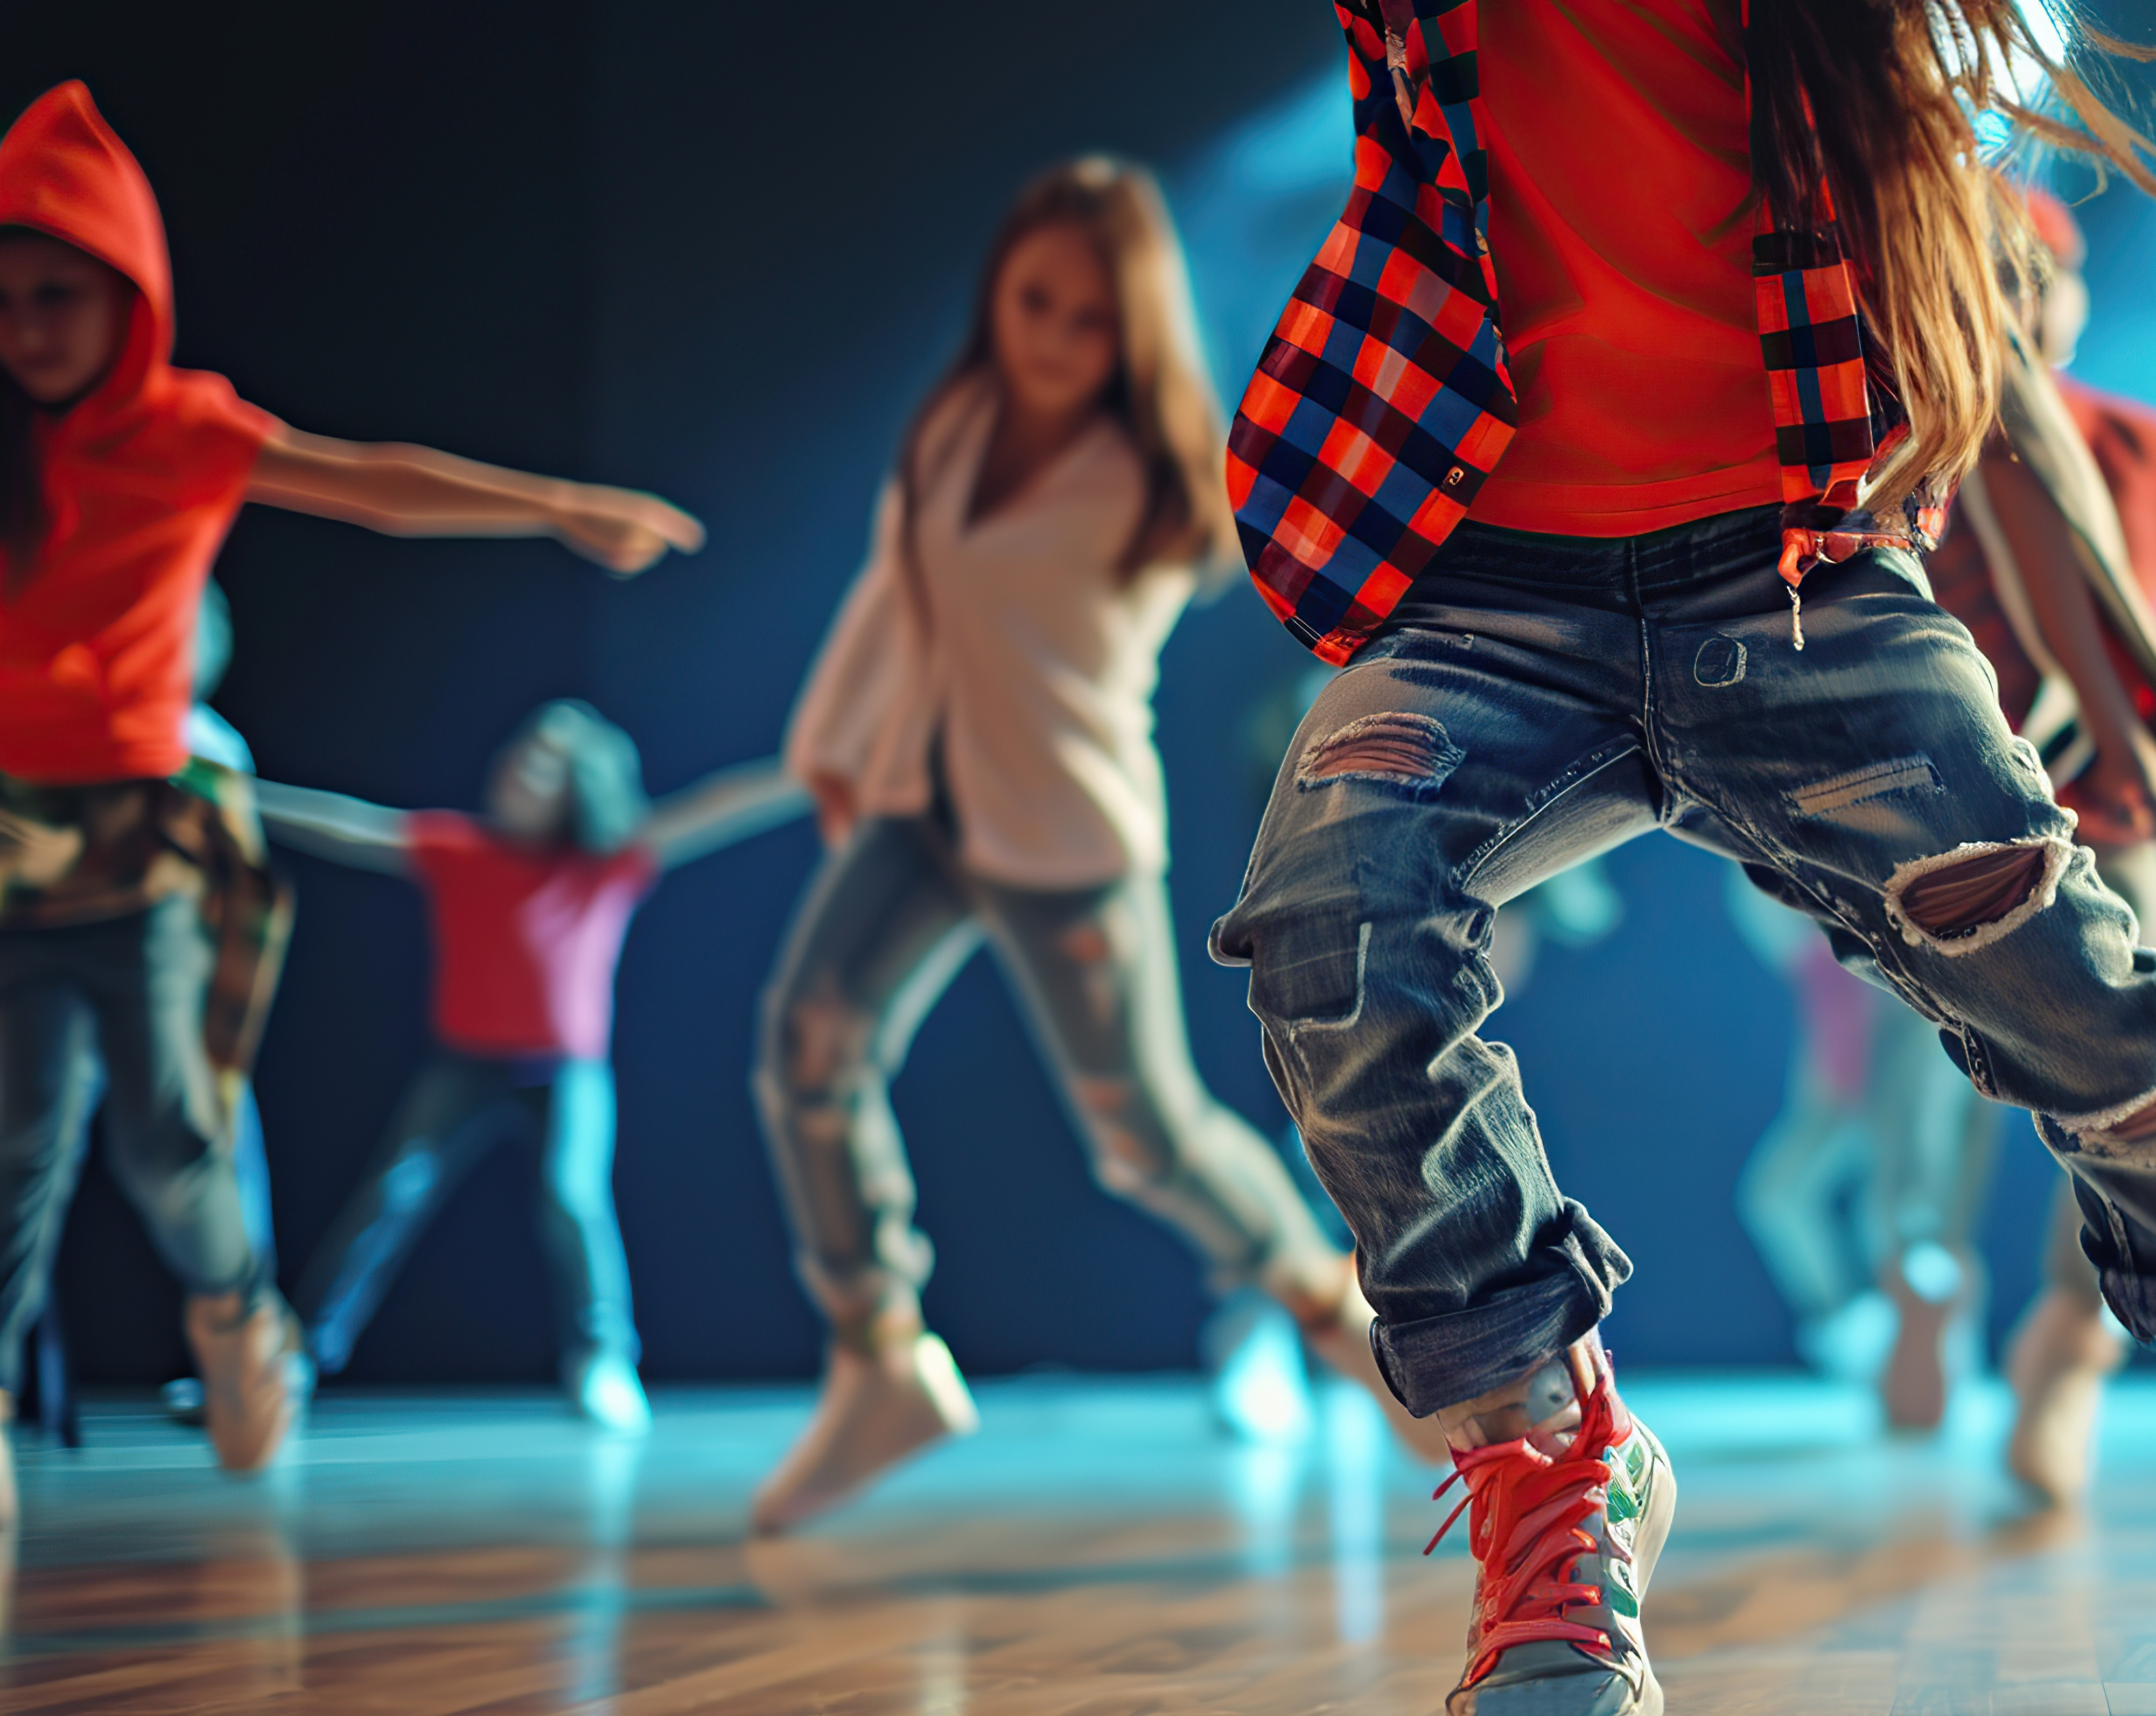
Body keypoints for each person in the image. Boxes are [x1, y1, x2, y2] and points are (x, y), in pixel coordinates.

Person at [1213, 0, 2156, 1716]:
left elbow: (2017, 408)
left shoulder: (1846, 38)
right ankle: (1546, 1455)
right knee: (1324, 917)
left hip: (1795, 572)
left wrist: (2133, 698)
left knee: (2044, 958)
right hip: (1488, 582)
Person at [0, 82, 700, 1522]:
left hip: (140, 835)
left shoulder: (180, 434)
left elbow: (372, 485)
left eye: (58, 294)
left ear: (128, 295)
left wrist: (558, 507)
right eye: (3, 298)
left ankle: (240, 1312)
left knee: (164, 1133)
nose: (26, 329)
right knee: (19, 1133)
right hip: (12, 828)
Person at [750, 156, 1413, 1537]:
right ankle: (879, 1352)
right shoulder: (956, 424)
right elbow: (897, 590)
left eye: (1088, 319)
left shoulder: (1158, 489)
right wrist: (833, 737)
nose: (1049, 339)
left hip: (1061, 828)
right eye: (1031, 301)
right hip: (922, 796)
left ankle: (1320, 1302)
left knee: (1145, 1137)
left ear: (1135, 331)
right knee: (809, 1039)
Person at [1824, 186, 2156, 1498]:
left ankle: (2071, 1342)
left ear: (2072, 299)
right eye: (1980, 280)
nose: (2009, 306)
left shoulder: (2138, 439)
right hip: (1955, 815)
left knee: (2131, 1070)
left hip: (2113, 806)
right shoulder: (1917, 435)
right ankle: (1921, 1283)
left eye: (2031, 278)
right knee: (1931, 1081)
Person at [250, 706, 801, 1431]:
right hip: (464, 1067)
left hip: (567, 1074)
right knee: (391, 1194)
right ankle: (295, 1361)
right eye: (519, 761)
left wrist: (811, 775)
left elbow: (716, 807)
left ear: (577, 790)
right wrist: (240, 795)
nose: (522, 777)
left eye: (546, 769)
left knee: (574, 1199)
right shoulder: (459, 848)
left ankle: (603, 1359)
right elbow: (348, 826)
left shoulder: (608, 865)